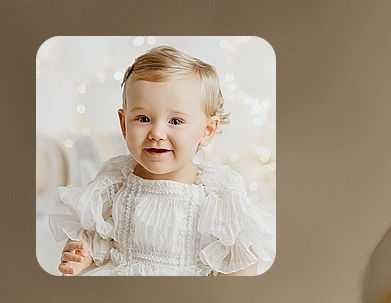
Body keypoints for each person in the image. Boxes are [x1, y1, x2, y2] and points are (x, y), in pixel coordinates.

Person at [50, 45, 274, 276]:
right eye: (143, 118)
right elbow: (94, 234)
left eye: (175, 121)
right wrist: (81, 256)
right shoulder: (116, 179)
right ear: (124, 124)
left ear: (207, 130)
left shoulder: (218, 192)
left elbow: (238, 259)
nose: (156, 133)